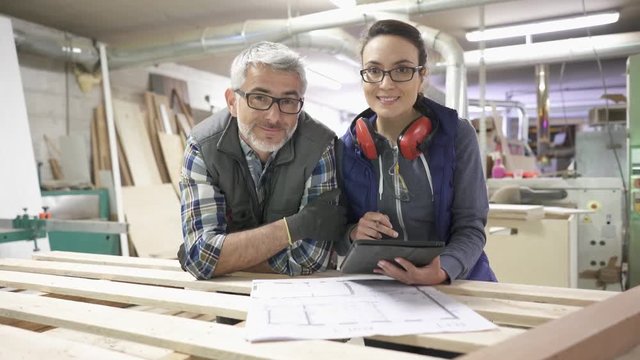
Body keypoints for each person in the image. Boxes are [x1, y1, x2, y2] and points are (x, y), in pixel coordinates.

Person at [337, 19, 496, 286]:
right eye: (374, 70)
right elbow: (337, 232)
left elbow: (471, 228)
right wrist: (353, 231)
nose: (385, 84)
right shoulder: (346, 148)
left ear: (422, 76)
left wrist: (444, 269)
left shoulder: (457, 135)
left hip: (456, 283)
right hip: (380, 288)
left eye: (401, 70)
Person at [178, 41, 346, 279]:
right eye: (259, 98)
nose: (274, 117)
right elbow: (201, 257)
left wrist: (223, 258)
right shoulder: (203, 146)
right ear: (232, 101)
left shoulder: (319, 145)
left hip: (298, 297)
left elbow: (309, 261)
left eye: (288, 101)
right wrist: (294, 227)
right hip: (225, 294)